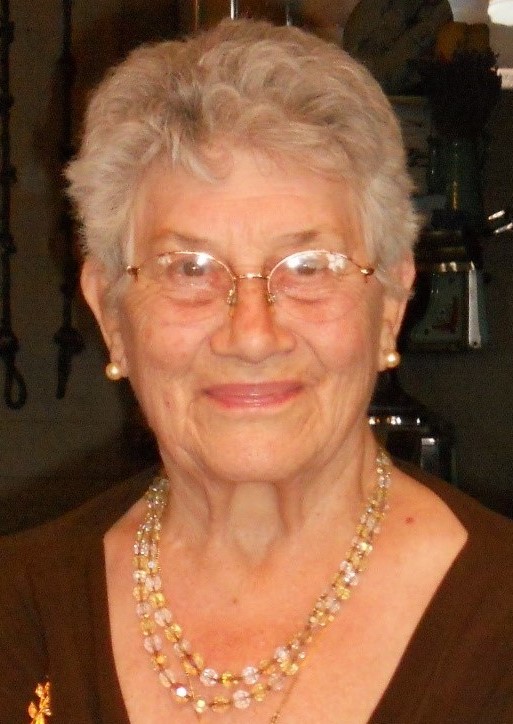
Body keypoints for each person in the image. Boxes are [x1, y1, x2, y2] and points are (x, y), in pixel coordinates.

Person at [1, 18, 512, 724]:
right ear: (111, 314)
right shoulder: (21, 612)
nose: (251, 334)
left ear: (391, 304)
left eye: (308, 268)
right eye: (188, 268)